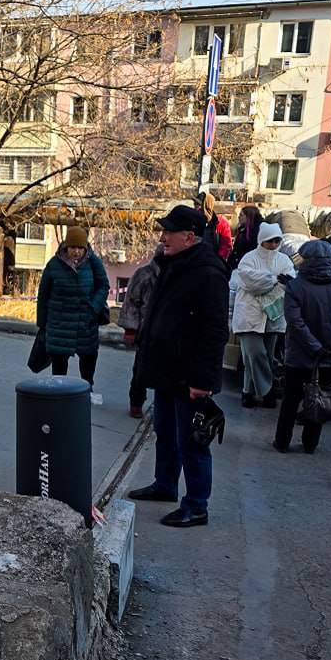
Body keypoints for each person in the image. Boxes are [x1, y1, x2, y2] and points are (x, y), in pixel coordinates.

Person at [128, 205, 230, 528]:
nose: (162, 237)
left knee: (193, 440)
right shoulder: (173, 264)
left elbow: (214, 332)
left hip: (190, 376)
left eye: (168, 232)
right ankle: (165, 484)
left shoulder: (208, 273)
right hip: (166, 370)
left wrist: (203, 379)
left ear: (189, 236)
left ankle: (197, 504)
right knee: (165, 433)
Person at [273, 240, 331, 453]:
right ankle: (310, 443)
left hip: (300, 355)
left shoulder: (296, 286)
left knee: (291, 399)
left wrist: (314, 347)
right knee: (321, 398)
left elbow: (295, 322)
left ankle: (282, 441)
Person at [36, 226, 109, 398]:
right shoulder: (54, 265)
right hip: (59, 322)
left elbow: (103, 285)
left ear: (85, 248)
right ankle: (59, 394)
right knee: (59, 364)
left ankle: (86, 390)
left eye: (80, 248)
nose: (76, 252)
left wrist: (94, 308)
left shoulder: (93, 262)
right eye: (72, 247)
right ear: (66, 247)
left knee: (88, 359)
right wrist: (42, 323)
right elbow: (43, 295)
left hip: (86, 321)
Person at [233, 221, 294, 408]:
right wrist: (274, 280)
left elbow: (291, 281)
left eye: (277, 241)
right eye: (270, 241)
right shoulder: (249, 258)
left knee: (266, 356)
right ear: (262, 241)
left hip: (274, 316)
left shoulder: (283, 260)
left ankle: (248, 392)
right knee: (254, 354)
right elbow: (249, 282)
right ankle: (268, 391)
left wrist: (270, 282)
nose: (274, 245)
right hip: (250, 315)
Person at [116, 247, 162, 419]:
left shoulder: (179, 276)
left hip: (168, 331)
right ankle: (136, 402)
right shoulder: (144, 275)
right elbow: (131, 303)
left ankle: (162, 407)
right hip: (146, 330)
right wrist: (130, 329)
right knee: (140, 370)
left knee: (166, 373)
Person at [194, 192, 233, 261]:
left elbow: (226, 246)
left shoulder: (221, 224)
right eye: (195, 204)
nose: (196, 207)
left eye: (198, 204)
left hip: (214, 263)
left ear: (206, 206)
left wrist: (217, 261)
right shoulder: (193, 221)